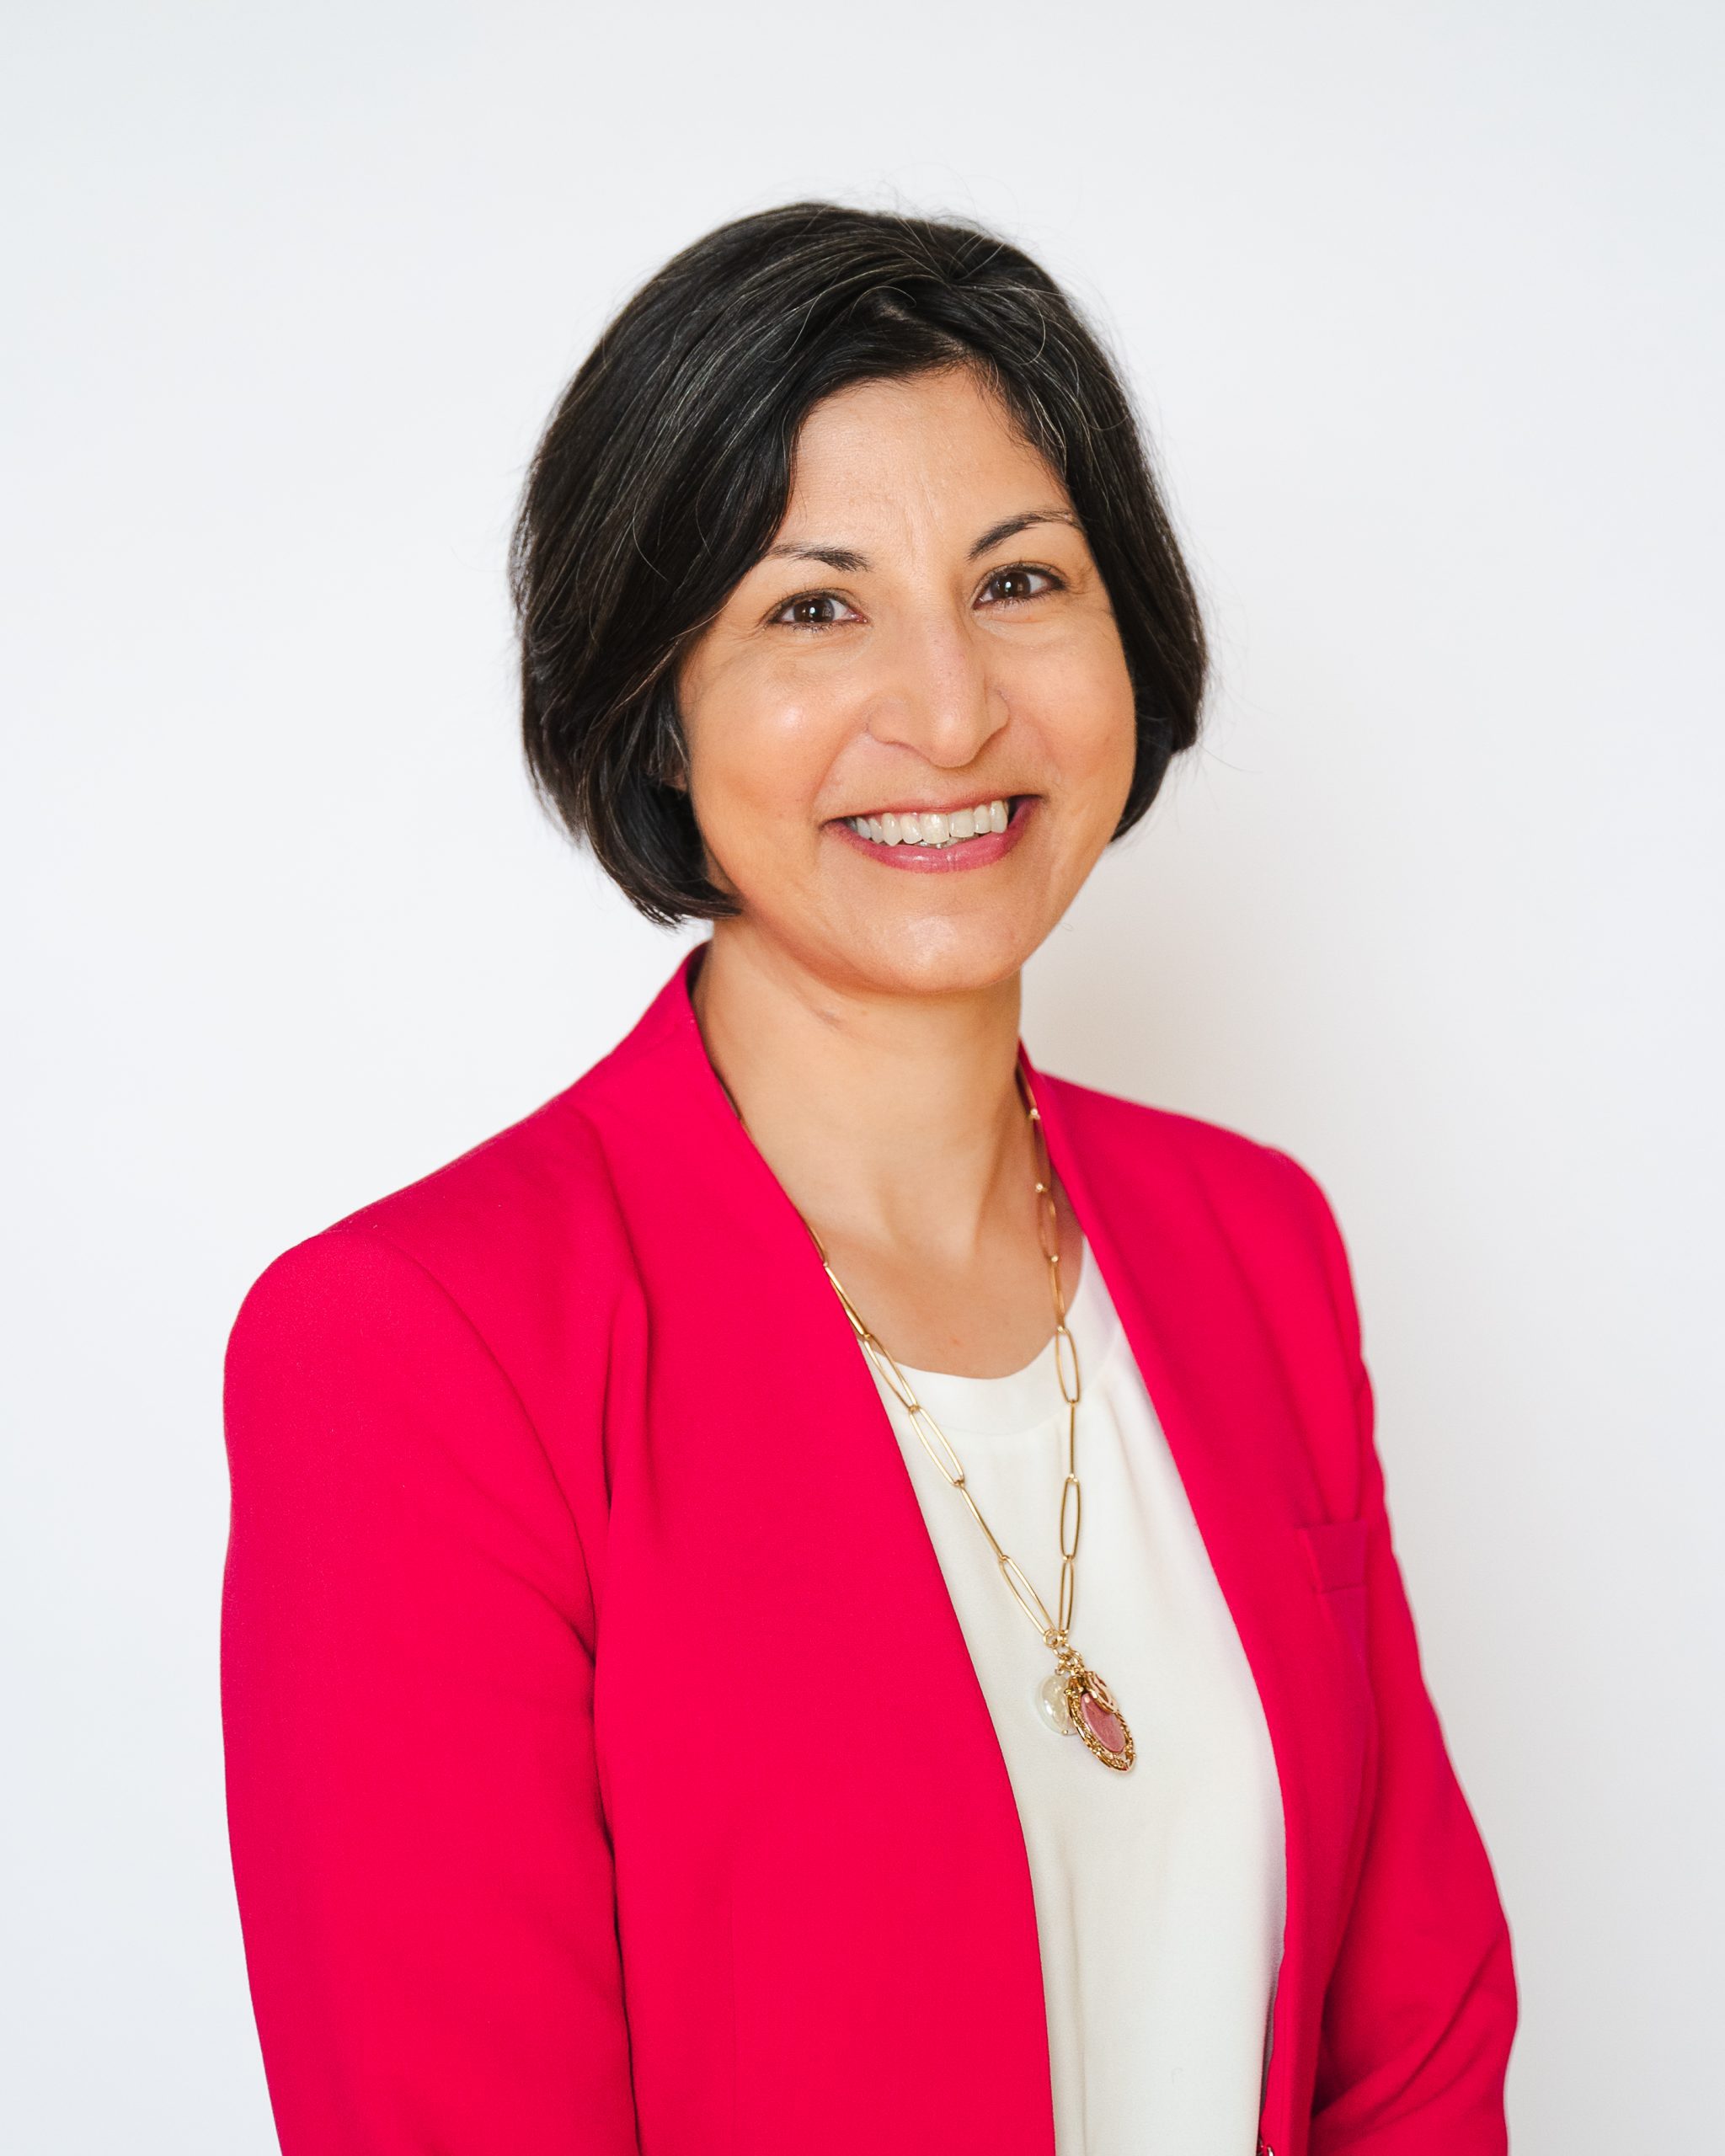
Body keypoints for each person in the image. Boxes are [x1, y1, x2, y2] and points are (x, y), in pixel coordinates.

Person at [220, 203, 1517, 2156]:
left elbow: (1409, 2049)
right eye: (812, 606)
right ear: (656, 699)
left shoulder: (1255, 1247)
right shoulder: (422, 1347)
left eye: (1020, 580)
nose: (951, 709)